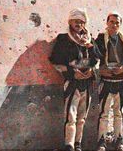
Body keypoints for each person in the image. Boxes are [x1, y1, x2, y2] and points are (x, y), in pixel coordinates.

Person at [49, 8, 99, 151]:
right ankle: (69, 145)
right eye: (76, 21)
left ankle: (78, 144)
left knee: (82, 117)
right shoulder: (64, 39)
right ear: (70, 22)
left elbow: (97, 59)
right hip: (72, 82)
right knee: (70, 116)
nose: (79, 24)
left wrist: (91, 69)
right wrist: (72, 72)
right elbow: (56, 62)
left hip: (87, 82)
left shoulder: (90, 40)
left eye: (82, 22)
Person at [95, 12, 123, 151]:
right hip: (106, 80)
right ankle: (101, 142)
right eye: (112, 22)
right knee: (104, 113)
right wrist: (100, 70)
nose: (114, 25)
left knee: (119, 113)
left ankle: (119, 141)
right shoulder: (100, 39)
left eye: (117, 23)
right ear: (107, 23)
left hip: (121, 80)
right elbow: (94, 58)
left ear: (120, 24)